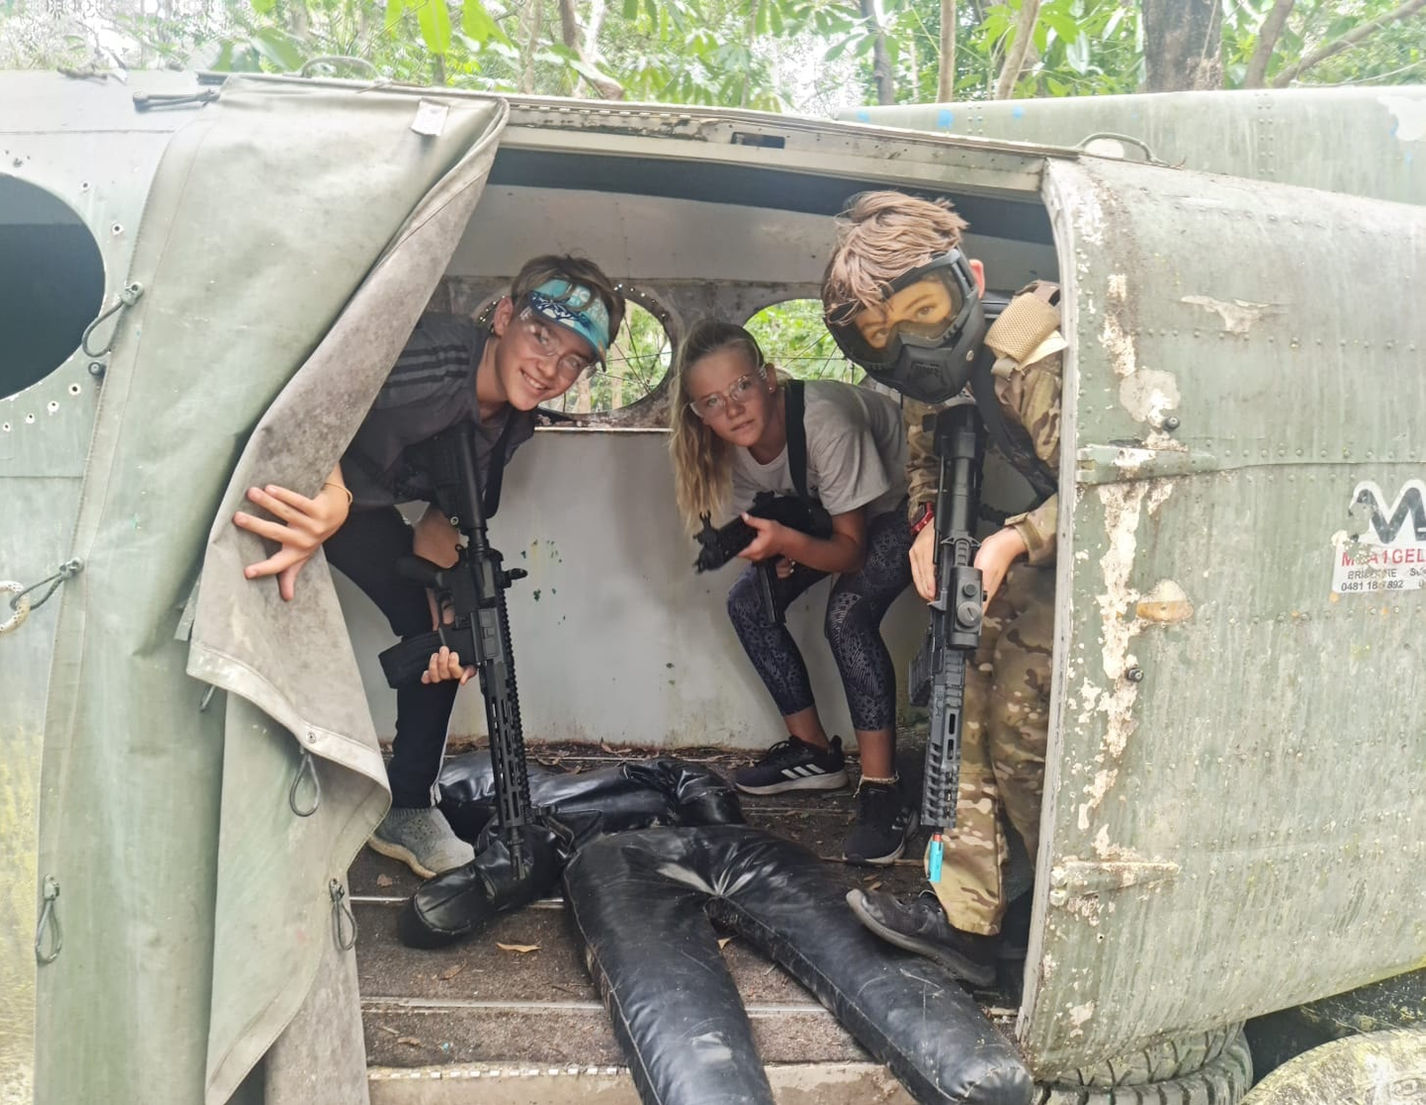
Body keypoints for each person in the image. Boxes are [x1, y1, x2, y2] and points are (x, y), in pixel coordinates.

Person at [234, 255, 625, 878]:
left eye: (573, 359)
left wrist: (445, 613)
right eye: (543, 336)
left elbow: (445, 515)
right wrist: (329, 499)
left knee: (444, 635)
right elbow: (303, 393)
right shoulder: (430, 362)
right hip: (287, 477)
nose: (551, 368)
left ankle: (407, 806)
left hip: (355, 507)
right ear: (504, 317)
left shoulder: (513, 425)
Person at [822, 191, 1062, 987]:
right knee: (964, 708)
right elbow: (927, 459)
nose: (912, 344)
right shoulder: (929, 378)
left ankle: (1060, 923)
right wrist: (930, 523)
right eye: (883, 336)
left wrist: (1013, 539)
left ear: (972, 280)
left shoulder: (1033, 357)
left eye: (925, 310)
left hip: (1086, 560)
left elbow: (1115, 488)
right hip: (1019, 561)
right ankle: (966, 918)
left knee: (1026, 738)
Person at [668, 319, 915, 865]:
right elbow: (784, 509)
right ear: (697, 415)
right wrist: (780, 547)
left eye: (741, 387)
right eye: (711, 401)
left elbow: (851, 550)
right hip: (836, 509)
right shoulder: (727, 449)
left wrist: (788, 541)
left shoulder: (825, 420)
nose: (731, 409)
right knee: (748, 603)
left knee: (847, 616)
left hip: (905, 503)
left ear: (769, 378)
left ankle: (881, 788)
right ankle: (813, 752)